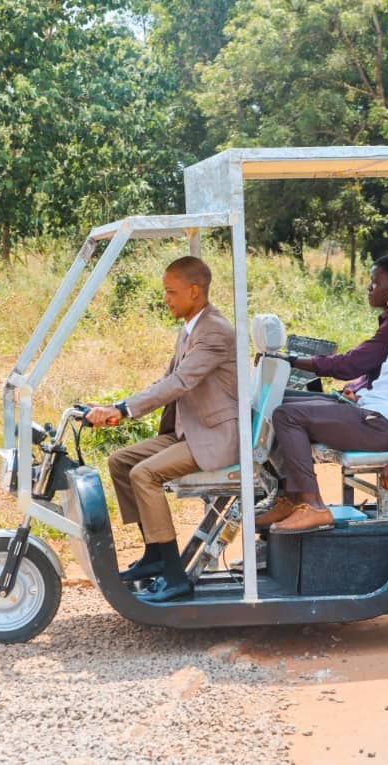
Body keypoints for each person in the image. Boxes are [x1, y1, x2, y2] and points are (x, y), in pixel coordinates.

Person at [259, 265, 388, 534]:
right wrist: (360, 395)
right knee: (280, 405)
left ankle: (312, 505)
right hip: (372, 412)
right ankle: (291, 499)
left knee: (287, 416)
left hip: (386, 427)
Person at [85, 256, 238, 604]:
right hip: (190, 431)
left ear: (195, 291)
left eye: (171, 291)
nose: (166, 299)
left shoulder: (214, 331)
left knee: (145, 474)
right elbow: (165, 380)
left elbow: (180, 382)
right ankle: (155, 553)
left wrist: (122, 410)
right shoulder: (191, 328)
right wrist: (117, 407)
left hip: (214, 437)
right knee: (121, 462)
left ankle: (174, 575)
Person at [287, 253, 388, 397]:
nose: (369, 287)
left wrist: (292, 360)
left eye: (375, 283)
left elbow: (351, 364)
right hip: (358, 395)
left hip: (370, 405)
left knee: (284, 407)